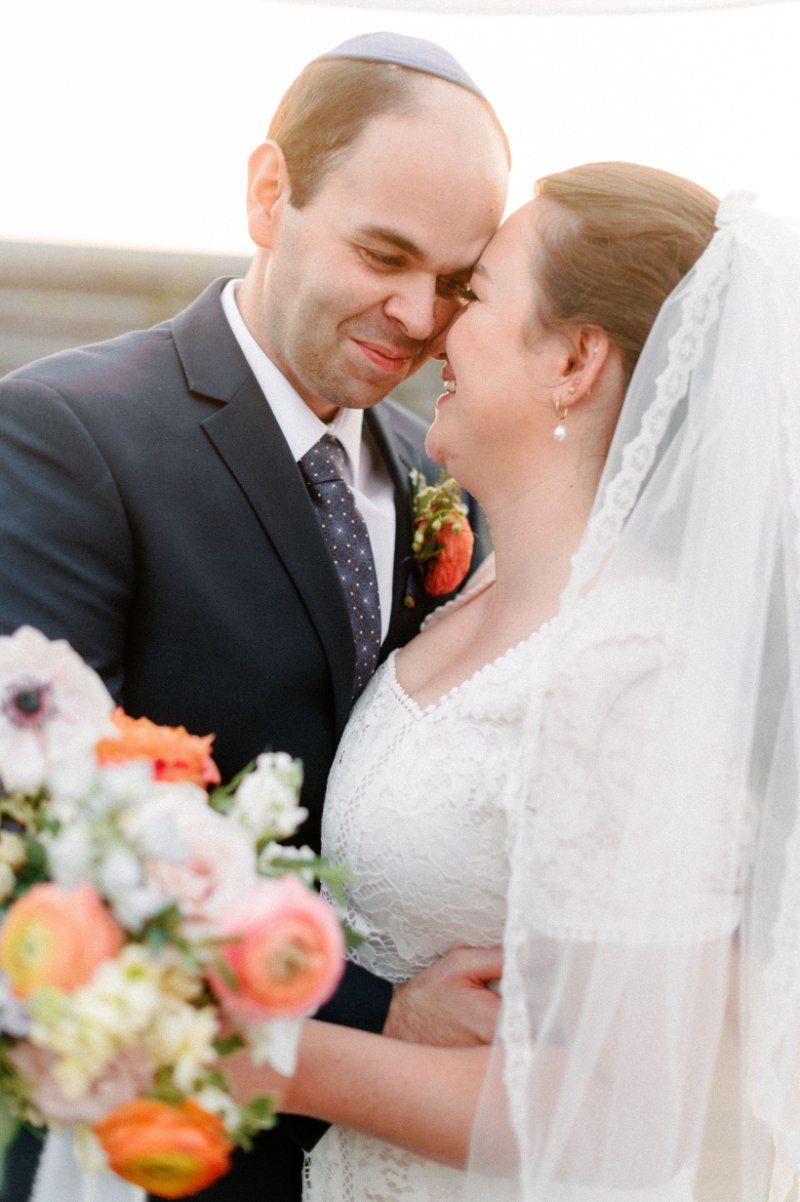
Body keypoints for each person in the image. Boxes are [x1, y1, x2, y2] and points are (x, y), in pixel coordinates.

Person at [223, 163, 800, 1202]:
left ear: (576, 357)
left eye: (476, 292)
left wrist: (253, 1051)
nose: (435, 328)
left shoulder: (633, 668)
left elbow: (618, 1116)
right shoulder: (477, 582)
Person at [0, 32, 511, 1202]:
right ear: (269, 192)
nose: (415, 312)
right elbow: (42, 837)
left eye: (455, 280)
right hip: (140, 1143)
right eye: (382, 252)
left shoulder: (446, 488)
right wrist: (381, 1016)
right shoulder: (64, 436)